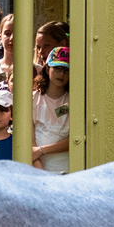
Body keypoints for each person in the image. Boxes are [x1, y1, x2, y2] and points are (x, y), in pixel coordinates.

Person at [32, 45, 70, 173]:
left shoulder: (75, 100)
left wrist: (41, 150)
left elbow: (75, 138)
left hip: (69, 171)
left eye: (66, 70)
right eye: (57, 68)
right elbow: (29, 140)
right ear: (47, 69)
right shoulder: (33, 99)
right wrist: (41, 173)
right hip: (39, 172)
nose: (61, 74)